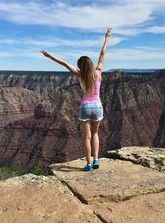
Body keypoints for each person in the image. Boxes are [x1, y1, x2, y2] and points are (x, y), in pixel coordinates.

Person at [41, 28, 112, 171]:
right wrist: (107, 38)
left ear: (81, 67)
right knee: (96, 134)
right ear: (91, 65)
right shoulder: (98, 72)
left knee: (86, 137)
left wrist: (50, 56)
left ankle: (88, 164)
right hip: (97, 106)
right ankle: (97, 159)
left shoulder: (79, 75)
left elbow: (64, 63)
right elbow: (103, 54)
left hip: (85, 107)